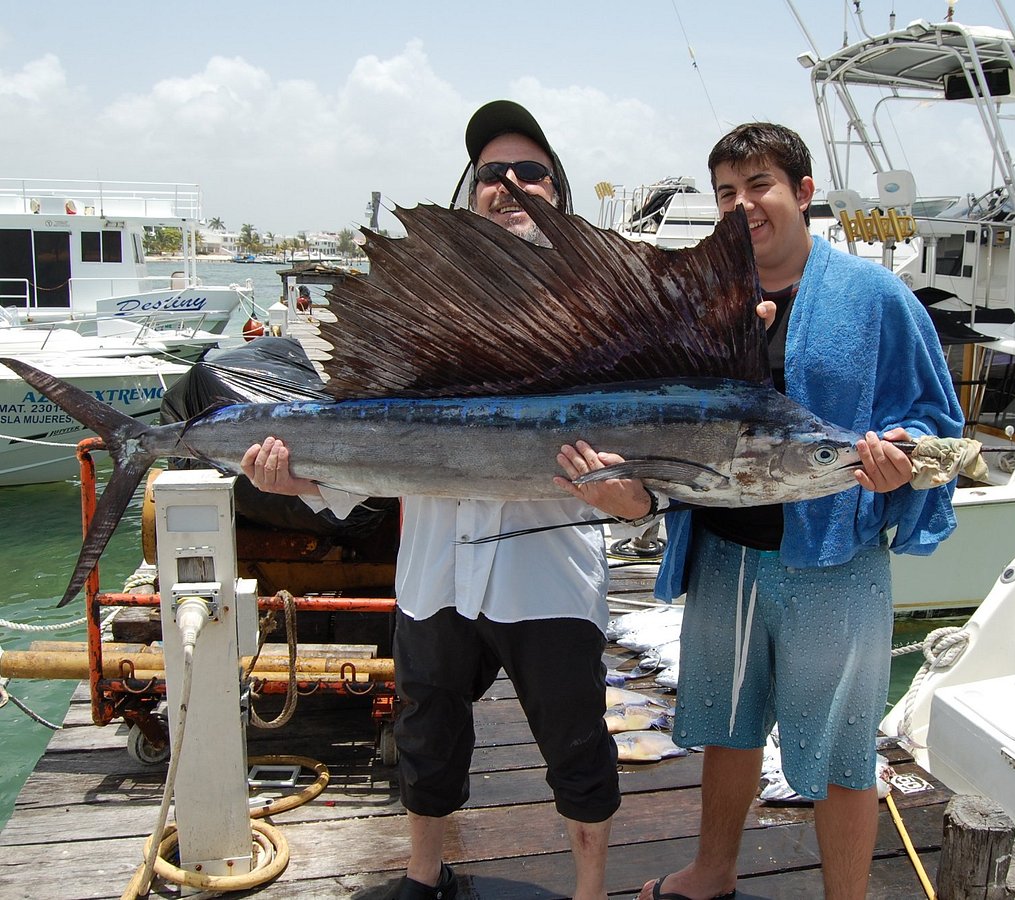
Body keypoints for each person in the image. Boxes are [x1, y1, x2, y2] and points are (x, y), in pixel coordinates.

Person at [241, 100, 649, 900]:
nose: (511, 185)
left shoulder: (601, 316)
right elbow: (381, 444)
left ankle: (591, 889)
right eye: (493, 174)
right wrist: (298, 480)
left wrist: (620, 493)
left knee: (577, 744)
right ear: (469, 195)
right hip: (433, 576)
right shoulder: (424, 307)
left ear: (558, 193)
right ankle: (423, 877)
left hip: (551, 582)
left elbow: (644, 497)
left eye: (531, 172)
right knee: (426, 735)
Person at [555, 122, 963, 900]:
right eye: (726, 194)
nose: (744, 205)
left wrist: (895, 464)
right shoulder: (713, 306)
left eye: (760, 186)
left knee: (846, 753)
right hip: (722, 551)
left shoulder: (873, 296)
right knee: (726, 726)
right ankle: (713, 871)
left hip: (834, 567)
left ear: (804, 192)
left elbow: (937, 423)